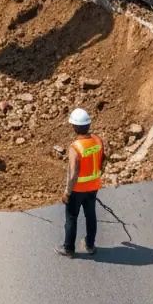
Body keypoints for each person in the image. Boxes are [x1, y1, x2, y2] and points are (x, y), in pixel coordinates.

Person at [55, 108, 104, 258]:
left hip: (77, 190)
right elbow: (103, 160)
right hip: (93, 187)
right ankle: (90, 245)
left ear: (74, 127)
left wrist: (67, 192)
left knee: (71, 217)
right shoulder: (97, 141)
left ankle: (68, 248)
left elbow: (73, 173)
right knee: (91, 215)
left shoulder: (75, 147)